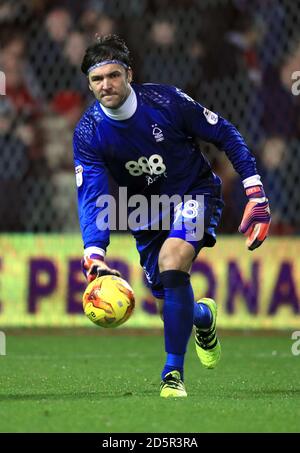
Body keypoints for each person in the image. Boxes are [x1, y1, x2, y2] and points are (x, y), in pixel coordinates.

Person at [73, 34, 271, 398]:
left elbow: (225, 133)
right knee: (169, 310)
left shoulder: (165, 101)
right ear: (89, 84)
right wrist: (94, 254)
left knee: (172, 260)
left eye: (113, 75)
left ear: (128, 74)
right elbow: (93, 195)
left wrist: (255, 191)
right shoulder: (89, 132)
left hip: (193, 192)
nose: (106, 85)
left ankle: (172, 376)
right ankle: (202, 317)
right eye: (97, 80)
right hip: (144, 213)